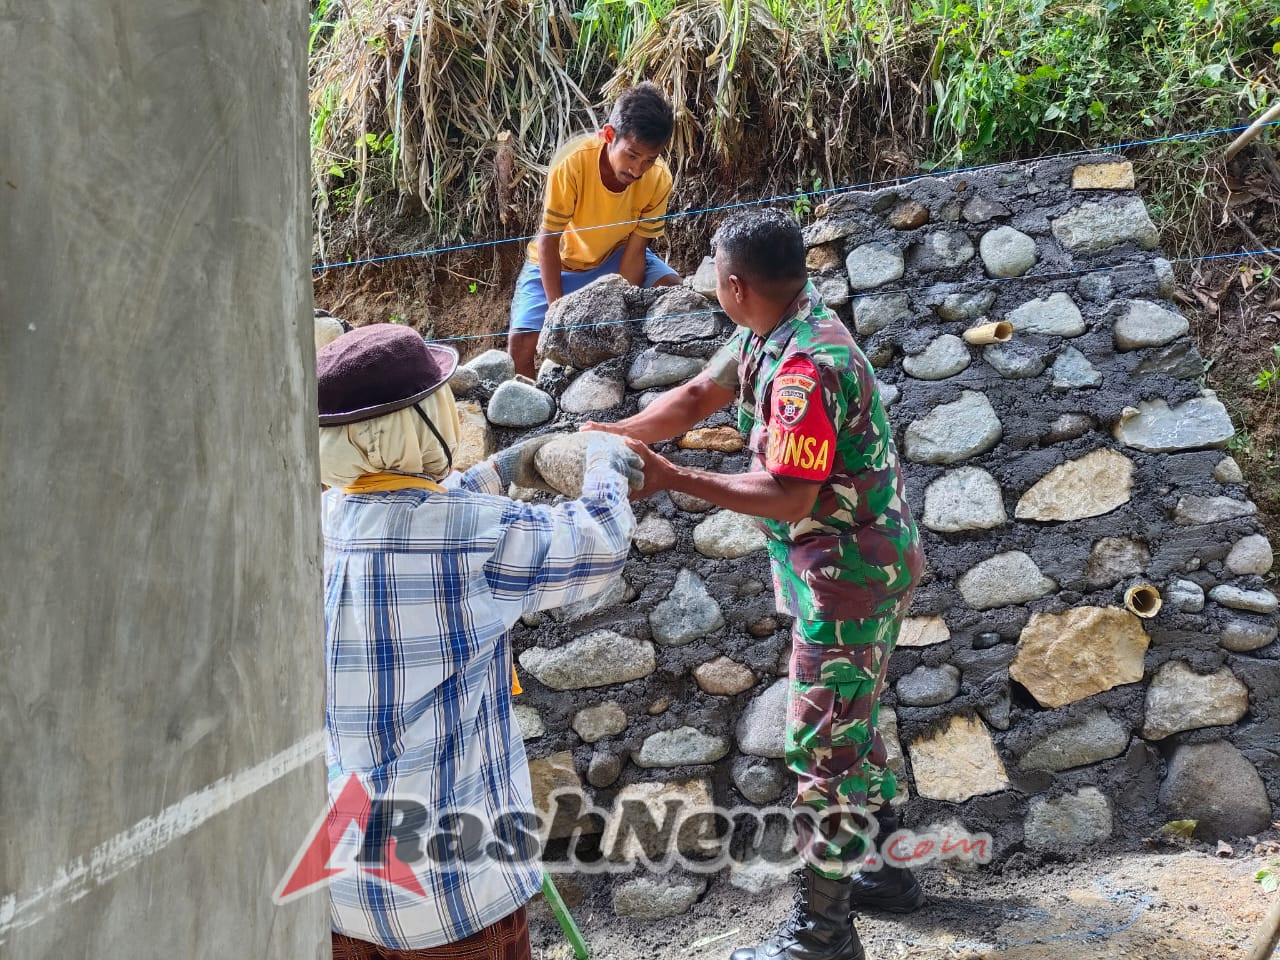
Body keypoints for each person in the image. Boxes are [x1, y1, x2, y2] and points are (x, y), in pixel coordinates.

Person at [585, 209, 926, 960]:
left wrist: (675, 478)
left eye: (714, 270)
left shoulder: (808, 368)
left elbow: (787, 494)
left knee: (822, 746)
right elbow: (694, 397)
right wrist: (613, 436)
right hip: (838, 570)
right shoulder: (771, 330)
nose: (711, 280)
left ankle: (823, 935)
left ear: (736, 284)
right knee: (847, 722)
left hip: (850, 576)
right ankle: (885, 875)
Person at [317, 324, 643, 960]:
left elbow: (416, 513)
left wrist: (501, 469)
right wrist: (603, 458)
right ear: (417, 423)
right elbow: (599, 538)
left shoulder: (328, 520)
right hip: (452, 892)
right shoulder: (468, 534)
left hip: (343, 884)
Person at [507, 81, 682, 378]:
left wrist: (621, 309)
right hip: (560, 263)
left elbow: (636, 250)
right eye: (631, 155)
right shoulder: (573, 164)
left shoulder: (658, 179)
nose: (637, 170)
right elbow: (549, 243)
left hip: (617, 256)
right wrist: (559, 313)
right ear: (609, 135)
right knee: (520, 346)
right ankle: (535, 401)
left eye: (649, 160)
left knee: (675, 293)